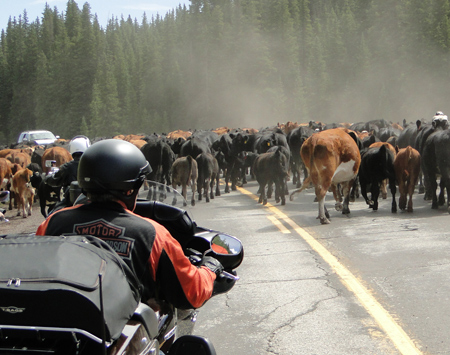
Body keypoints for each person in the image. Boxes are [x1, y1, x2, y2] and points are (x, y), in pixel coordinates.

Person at [36, 139, 222, 310]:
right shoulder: (153, 234)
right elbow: (191, 292)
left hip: (63, 324)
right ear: (131, 189)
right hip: (121, 332)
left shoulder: (51, 223)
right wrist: (210, 268)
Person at [45, 135, 91, 211]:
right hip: (92, 199)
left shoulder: (66, 167)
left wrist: (47, 178)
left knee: (53, 213)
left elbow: (55, 180)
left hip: (70, 201)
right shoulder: (93, 164)